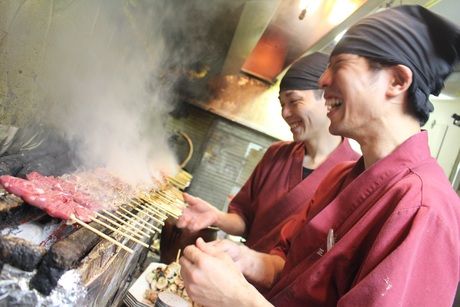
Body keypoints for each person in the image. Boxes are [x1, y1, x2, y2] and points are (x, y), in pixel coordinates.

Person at [179, 5, 460, 307]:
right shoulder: (342, 178)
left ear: (396, 81)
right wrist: (244, 259)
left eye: (338, 64)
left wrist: (236, 299)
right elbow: (290, 267)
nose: (324, 80)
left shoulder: (425, 208)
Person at [177, 52, 359, 254]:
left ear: (328, 97)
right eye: (282, 104)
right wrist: (216, 217)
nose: (285, 113)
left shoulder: (354, 174)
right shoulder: (276, 154)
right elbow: (244, 220)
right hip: (238, 273)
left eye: (294, 101)